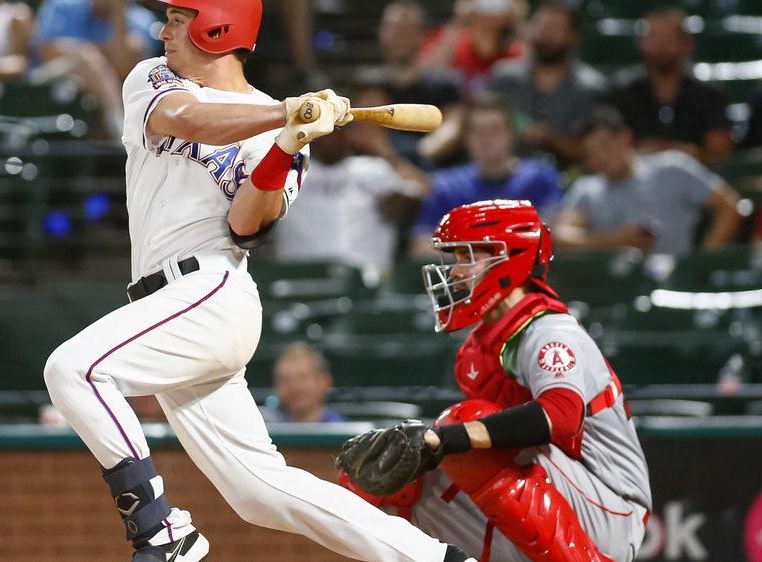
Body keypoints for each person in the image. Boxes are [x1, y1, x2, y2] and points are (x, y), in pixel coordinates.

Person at [41, 1, 476, 561]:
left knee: (73, 369)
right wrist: (284, 118)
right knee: (258, 492)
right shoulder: (153, 77)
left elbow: (246, 225)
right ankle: (436, 559)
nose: (164, 29)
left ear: (217, 27)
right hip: (167, 304)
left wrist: (289, 143)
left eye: (178, 18)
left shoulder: (282, 123)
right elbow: (187, 119)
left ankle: (160, 530)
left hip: (210, 291)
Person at [336, 199, 651, 561]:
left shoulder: (550, 332)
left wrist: (443, 438)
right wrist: (431, 445)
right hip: (549, 493)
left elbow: (559, 417)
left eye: (467, 257)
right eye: (455, 259)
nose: (455, 272)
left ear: (510, 260)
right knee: (378, 475)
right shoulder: (480, 346)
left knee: (460, 426)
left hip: (610, 506)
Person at [552, 105, 742, 255]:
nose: (600, 157)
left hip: (674, 283)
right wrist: (615, 241)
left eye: (605, 145)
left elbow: (729, 205)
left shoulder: (672, 168)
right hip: (615, 288)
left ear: (625, 137)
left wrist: (699, 264)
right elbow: (560, 238)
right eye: (590, 152)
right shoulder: (586, 189)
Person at [273, 115, 431, 278]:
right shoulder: (288, 172)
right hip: (298, 279)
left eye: (334, 129)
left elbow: (426, 190)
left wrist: (384, 153)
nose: (327, 136)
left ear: (349, 134)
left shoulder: (373, 170)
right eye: (319, 130)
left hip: (367, 280)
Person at [409, 92, 563, 256]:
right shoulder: (446, 186)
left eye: (494, 130)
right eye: (477, 131)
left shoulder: (540, 177)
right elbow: (421, 244)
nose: (485, 138)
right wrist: (476, 260)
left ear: (511, 134)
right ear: (466, 138)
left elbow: (552, 232)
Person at [603, 7, 733, 168]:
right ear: (641, 43)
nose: (661, 47)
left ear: (686, 44)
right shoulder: (620, 92)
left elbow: (720, 152)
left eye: (669, 39)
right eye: (654, 38)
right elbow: (603, 147)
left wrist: (672, 153)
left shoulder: (709, 94)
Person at [487, 0, 607, 169]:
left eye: (555, 28)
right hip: (506, 178)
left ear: (573, 36)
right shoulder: (504, 79)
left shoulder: (591, 88)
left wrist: (550, 141)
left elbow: (594, 150)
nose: (545, 34)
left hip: (570, 181)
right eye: (540, 25)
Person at [355, 0, 464, 170]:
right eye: (394, 29)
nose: (400, 37)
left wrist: (420, 155)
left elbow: (454, 127)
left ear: (422, 35)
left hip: (433, 169)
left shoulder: (444, 85)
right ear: (381, 33)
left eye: (407, 30)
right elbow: (367, 136)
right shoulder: (369, 86)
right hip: (381, 173)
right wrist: (399, 165)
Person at [32, 0, 160, 138]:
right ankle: (121, 132)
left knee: (89, 81)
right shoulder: (62, 6)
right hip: (48, 79)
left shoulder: (140, 19)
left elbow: (124, 68)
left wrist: (118, 15)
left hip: (97, 89)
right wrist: (97, 52)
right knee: (86, 61)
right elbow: (47, 52)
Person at [419, 0, 528, 101]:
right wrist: (459, 20)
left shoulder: (514, 51)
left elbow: (531, 77)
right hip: (458, 113)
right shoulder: (453, 41)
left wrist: (518, 22)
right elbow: (428, 74)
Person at [267, 342, 345, 423]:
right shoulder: (266, 431)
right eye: (285, 380)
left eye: (302, 377)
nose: (293, 386)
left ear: (325, 382)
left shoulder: (346, 431)